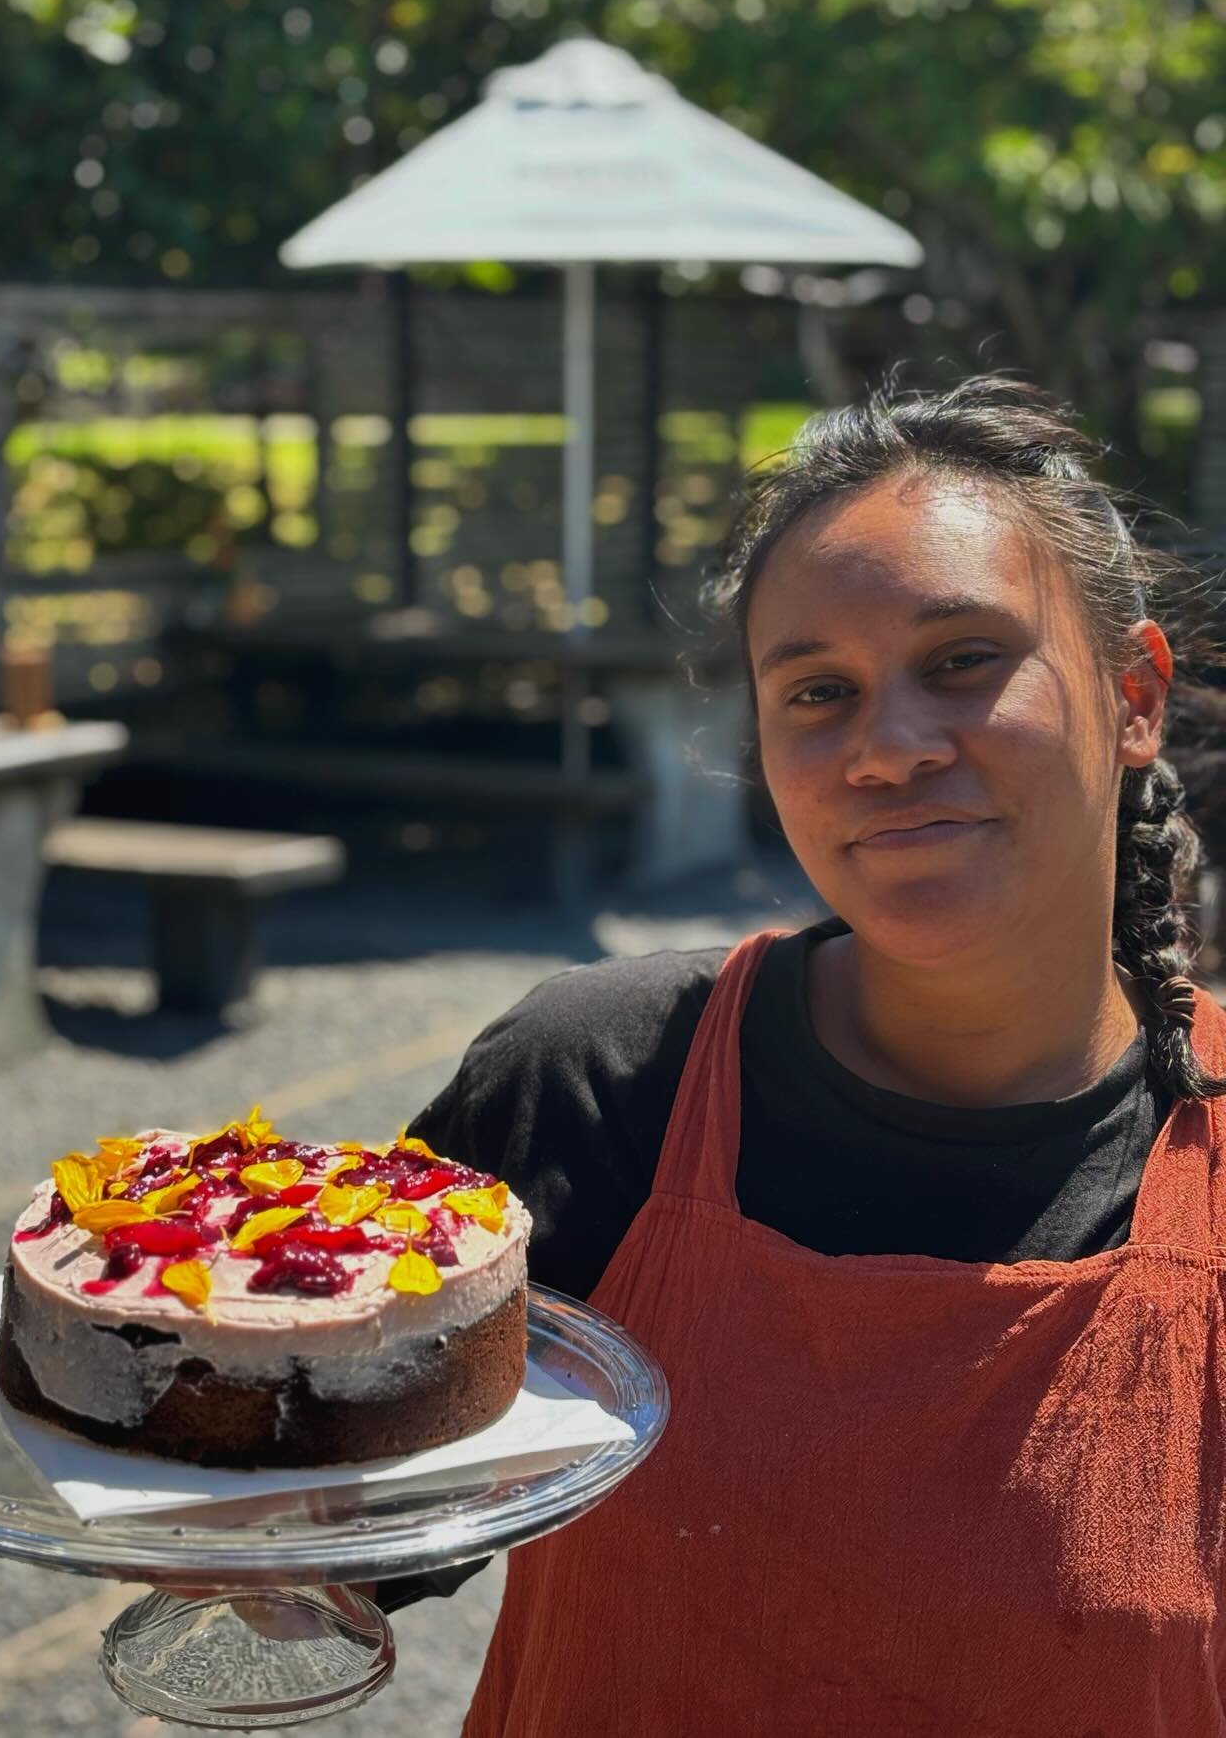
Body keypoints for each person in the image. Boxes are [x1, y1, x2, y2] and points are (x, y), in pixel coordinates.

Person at [382, 376, 1226, 1736]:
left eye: (962, 659)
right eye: (819, 690)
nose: (886, 749)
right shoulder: (595, 1085)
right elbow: (329, 1495)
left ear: (1133, 695)